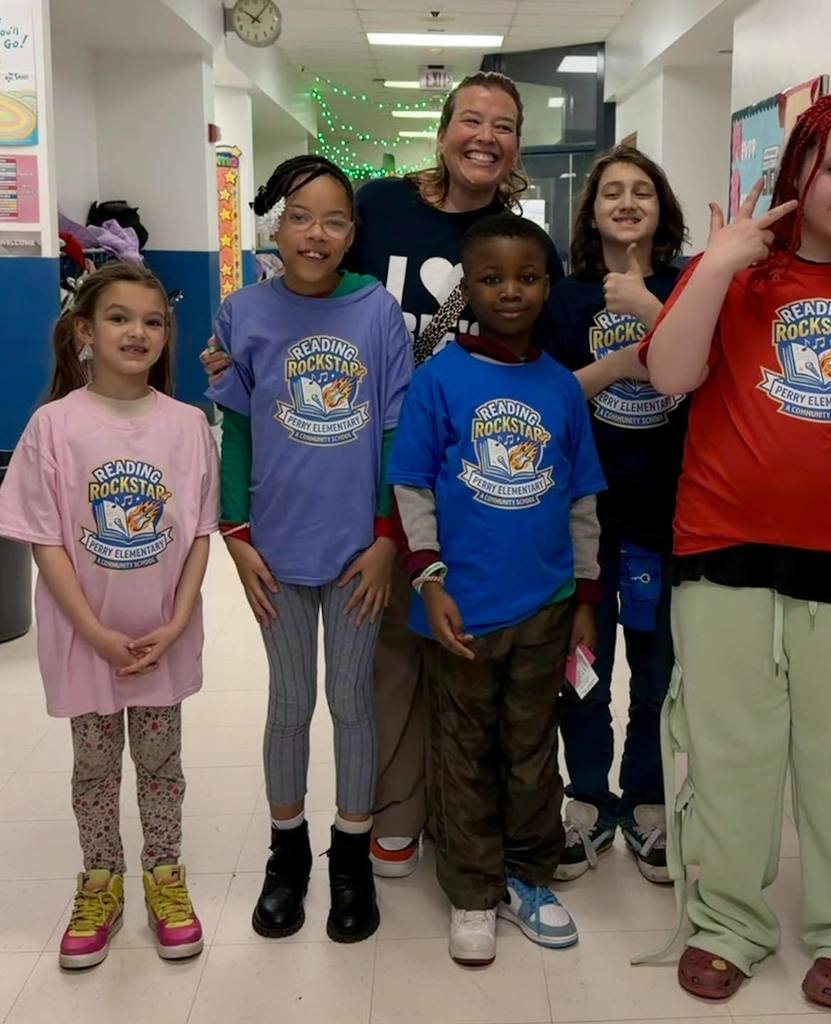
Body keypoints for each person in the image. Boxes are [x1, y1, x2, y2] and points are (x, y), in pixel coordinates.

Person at [201, 73, 563, 878]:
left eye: (503, 125)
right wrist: (232, 366)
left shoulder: (519, 238)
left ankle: (470, 817)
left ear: (516, 145)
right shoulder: (383, 208)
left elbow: (553, 349)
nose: (484, 135)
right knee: (388, 661)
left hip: (475, 477)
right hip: (359, 481)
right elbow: (297, 307)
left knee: (467, 646)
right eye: (470, 118)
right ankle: (388, 818)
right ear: (442, 130)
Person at [639, 94, 831, 1008]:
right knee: (731, 753)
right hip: (723, 548)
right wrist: (716, 267)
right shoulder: (734, 270)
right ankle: (728, 922)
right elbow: (670, 377)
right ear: (797, 172)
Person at [388, 213, 606, 966]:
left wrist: (582, 601)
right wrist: (431, 580)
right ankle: (474, 891)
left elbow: (582, 500)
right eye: (490, 278)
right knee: (461, 751)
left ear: (547, 286)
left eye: (525, 277)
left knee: (529, 749)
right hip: (461, 611)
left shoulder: (560, 388)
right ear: (466, 287)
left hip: (545, 607)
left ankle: (527, 876)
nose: (509, 291)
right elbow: (411, 488)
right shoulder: (438, 380)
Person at [206, 155, 412, 943]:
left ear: (352, 233)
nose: (315, 234)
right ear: (277, 225)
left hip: (359, 549)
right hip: (276, 549)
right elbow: (238, 432)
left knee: (353, 702)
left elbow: (396, 432)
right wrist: (236, 536)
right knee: (290, 705)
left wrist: (389, 538)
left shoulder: (377, 314)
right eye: (300, 217)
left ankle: (350, 855)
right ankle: (286, 854)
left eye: (333, 219)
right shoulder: (241, 312)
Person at [0, 262, 219, 969]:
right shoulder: (53, 427)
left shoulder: (188, 425)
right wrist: (92, 632)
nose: (138, 332)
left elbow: (196, 540)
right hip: (85, 639)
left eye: (153, 321)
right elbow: (45, 539)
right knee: (94, 769)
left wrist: (180, 619)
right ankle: (100, 878)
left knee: (162, 765)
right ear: (84, 331)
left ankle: (164, 872)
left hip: (161, 637)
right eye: (120, 318)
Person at [537, 145, 688, 885]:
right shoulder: (566, 300)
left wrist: (657, 317)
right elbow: (554, 403)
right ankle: (589, 797)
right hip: (588, 518)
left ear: (661, 211)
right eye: (612, 193)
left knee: (656, 670)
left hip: (668, 514)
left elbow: (706, 381)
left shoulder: (690, 286)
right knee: (585, 669)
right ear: (591, 213)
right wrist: (624, 363)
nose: (627, 203)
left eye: (642, 192)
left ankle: (649, 800)